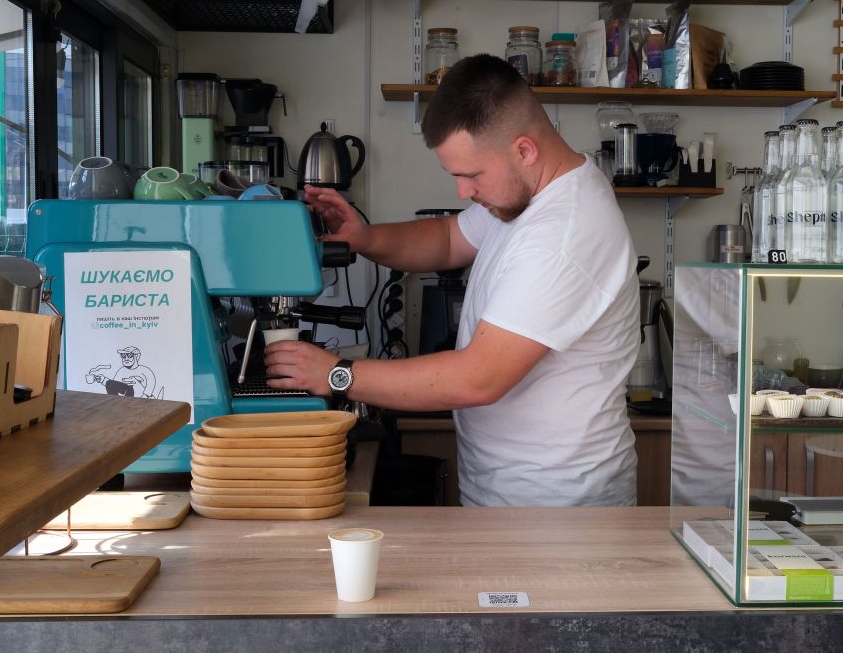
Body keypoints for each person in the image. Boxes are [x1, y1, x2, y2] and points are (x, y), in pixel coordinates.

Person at [265, 54, 640, 506]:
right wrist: (363, 238)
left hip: (556, 505)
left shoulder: (565, 231)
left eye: (471, 175)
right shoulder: (523, 197)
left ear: (524, 149)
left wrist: (337, 374)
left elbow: (478, 377)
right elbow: (446, 239)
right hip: (509, 490)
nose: (463, 192)